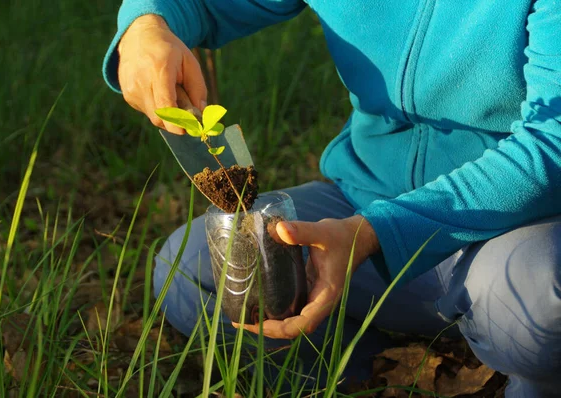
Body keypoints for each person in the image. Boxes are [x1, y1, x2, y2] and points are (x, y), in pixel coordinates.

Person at [103, 1, 561, 396]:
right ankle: (363, 375)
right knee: (192, 271)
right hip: (361, 200)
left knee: (541, 309)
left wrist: (375, 233)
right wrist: (147, 25)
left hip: (513, 228)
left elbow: (552, 141)